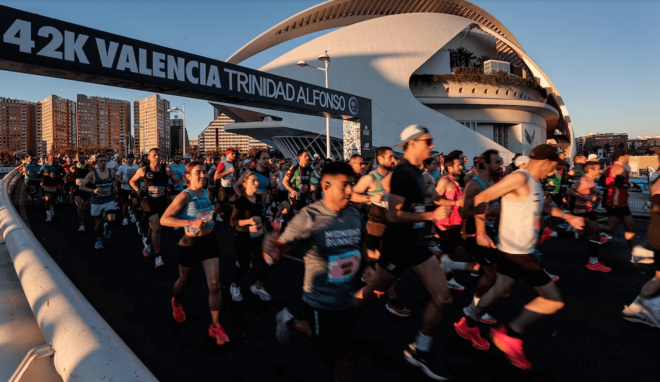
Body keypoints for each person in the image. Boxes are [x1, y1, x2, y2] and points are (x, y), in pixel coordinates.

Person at [453, 144, 584, 370]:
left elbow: (541, 207)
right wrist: (482, 232)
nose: (554, 172)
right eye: (554, 166)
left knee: (500, 290)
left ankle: (469, 323)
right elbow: (482, 197)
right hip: (518, 253)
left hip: (515, 250)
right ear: (545, 162)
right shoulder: (519, 178)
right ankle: (511, 334)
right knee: (553, 300)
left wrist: (566, 215)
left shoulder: (534, 183)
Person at [354, 125, 453, 380]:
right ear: (412, 143)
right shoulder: (402, 173)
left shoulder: (416, 173)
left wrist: (436, 207)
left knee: (443, 298)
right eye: (427, 141)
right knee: (372, 293)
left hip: (416, 246)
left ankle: (421, 350)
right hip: (399, 247)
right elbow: (395, 214)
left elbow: (414, 206)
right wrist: (431, 214)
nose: (431, 145)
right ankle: (333, 320)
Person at [266, 161, 365, 382]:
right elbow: (276, 252)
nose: (350, 190)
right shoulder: (308, 217)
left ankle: (292, 323)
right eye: (344, 186)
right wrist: (270, 247)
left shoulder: (354, 216)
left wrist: (372, 264)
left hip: (346, 298)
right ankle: (290, 322)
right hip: (320, 301)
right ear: (326, 185)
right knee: (338, 357)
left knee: (341, 348)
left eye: (352, 184)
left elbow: (362, 245)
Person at [160, 161, 229, 345]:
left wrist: (212, 213)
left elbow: (204, 214)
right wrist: (189, 223)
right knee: (184, 281)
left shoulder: (206, 193)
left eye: (204, 172)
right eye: (198, 172)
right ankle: (176, 302)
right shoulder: (184, 195)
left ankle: (215, 325)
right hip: (190, 244)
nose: (202, 175)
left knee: (214, 285)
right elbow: (165, 219)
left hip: (209, 242)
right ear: (188, 177)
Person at [352, 146, 411, 317]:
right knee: (389, 265)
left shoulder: (394, 178)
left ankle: (367, 269)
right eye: (391, 157)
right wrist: (370, 198)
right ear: (381, 159)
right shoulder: (370, 178)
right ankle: (393, 301)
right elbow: (352, 195)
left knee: (395, 265)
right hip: (377, 226)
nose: (394, 160)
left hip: (394, 226)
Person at [461, 149, 502, 325]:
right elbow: (463, 211)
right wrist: (487, 212)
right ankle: (474, 308)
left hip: (491, 232)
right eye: (496, 161)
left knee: (491, 272)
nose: (500, 164)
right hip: (478, 233)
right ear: (485, 164)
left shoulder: (493, 182)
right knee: (491, 274)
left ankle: (478, 305)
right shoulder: (475, 184)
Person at [622, 161, 660, 327]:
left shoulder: (657, 181)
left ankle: (635, 309)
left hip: (656, 234)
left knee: (659, 278)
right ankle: (650, 308)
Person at [599, 149, 653, 263]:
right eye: (628, 156)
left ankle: (635, 254)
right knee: (611, 228)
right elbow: (619, 183)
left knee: (631, 227)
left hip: (619, 203)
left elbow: (601, 182)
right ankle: (586, 226)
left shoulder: (608, 169)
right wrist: (630, 184)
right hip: (617, 203)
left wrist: (611, 187)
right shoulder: (621, 169)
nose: (629, 158)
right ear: (623, 157)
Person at [129, 148, 179, 269]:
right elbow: (132, 181)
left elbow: (177, 182)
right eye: (154, 155)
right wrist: (138, 190)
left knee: (155, 227)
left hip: (161, 201)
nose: (157, 157)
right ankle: (158, 257)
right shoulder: (143, 170)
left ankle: (147, 242)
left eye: (159, 155)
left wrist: (171, 187)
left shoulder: (167, 170)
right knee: (156, 227)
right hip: (148, 201)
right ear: (149, 157)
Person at [229, 171, 274, 301]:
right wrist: (248, 222)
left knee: (267, 262)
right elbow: (232, 222)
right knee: (244, 267)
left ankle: (258, 286)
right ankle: (234, 286)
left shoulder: (259, 198)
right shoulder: (240, 202)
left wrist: (266, 219)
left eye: (256, 180)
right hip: (243, 239)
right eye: (253, 181)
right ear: (244, 184)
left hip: (258, 238)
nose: (256, 183)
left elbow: (259, 215)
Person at [567, 158, 610, 272]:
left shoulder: (591, 181)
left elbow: (596, 193)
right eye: (598, 169)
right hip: (583, 211)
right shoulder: (583, 180)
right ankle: (593, 262)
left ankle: (551, 234)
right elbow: (570, 192)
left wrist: (599, 196)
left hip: (588, 210)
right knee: (594, 235)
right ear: (591, 170)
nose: (600, 171)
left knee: (586, 235)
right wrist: (588, 197)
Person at [434, 152, 466, 291]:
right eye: (458, 164)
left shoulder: (456, 181)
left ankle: (445, 277)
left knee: (456, 252)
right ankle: (445, 280)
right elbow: (435, 199)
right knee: (448, 253)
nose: (461, 166)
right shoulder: (444, 181)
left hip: (456, 222)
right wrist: (455, 202)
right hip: (445, 224)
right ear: (450, 167)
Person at [79, 154, 117, 250]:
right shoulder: (92, 174)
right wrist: (93, 190)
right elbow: (81, 186)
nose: (103, 163)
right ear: (97, 163)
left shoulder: (110, 172)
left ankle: (107, 226)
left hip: (109, 199)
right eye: (100, 161)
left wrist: (114, 187)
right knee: (98, 223)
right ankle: (99, 239)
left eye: (104, 161)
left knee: (112, 219)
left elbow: (115, 182)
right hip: (97, 201)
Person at [71, 152, 94, 232]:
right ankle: (81, 224)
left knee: (86, 206)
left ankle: (85, 217)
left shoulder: (89, 167)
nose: (82, 160)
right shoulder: (73, 168)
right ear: (76, 159)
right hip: (77, 190)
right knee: (80, 206)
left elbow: (95, 175)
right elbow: (68, 176)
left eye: (83, 158)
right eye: (80, 158)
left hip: (87, 189)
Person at [115, 154, 140, 225]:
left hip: (134, 187)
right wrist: (121, 181)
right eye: (129, 158)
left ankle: (132, 213)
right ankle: (125, 218)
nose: (131, 160)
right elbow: (116, 176)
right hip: (124, 188)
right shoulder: (122, 167)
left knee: (134, 203)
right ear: (127, 159)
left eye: (132, 158)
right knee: (125, 204)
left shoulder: (137, 167)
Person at [214, 149, 237, 221]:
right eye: (232, 154)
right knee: (219, 205)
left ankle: (233, 217)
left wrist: (234, 179)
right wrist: (228, 171)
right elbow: (215, 177)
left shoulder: (233, 163)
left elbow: (232, 176)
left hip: (231, 187)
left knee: (235, 202)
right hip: (224, 188)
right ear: (227, 154)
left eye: (235, 154)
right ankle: (211, 214)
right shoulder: (222, 163)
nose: (234, 155)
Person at [41, 155, 66, 222]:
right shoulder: (44, 166)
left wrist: (56, 176)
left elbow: (64, 174)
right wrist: (45, 174)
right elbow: (39, 173)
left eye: (53, 158)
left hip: (56, 185)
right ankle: (48, 215)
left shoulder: (59, 167)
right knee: (47, 199)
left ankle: (52, 208)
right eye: (51, 158)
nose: (52, 159)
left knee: (53, 200)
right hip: (47, 185)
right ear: (48, 159)